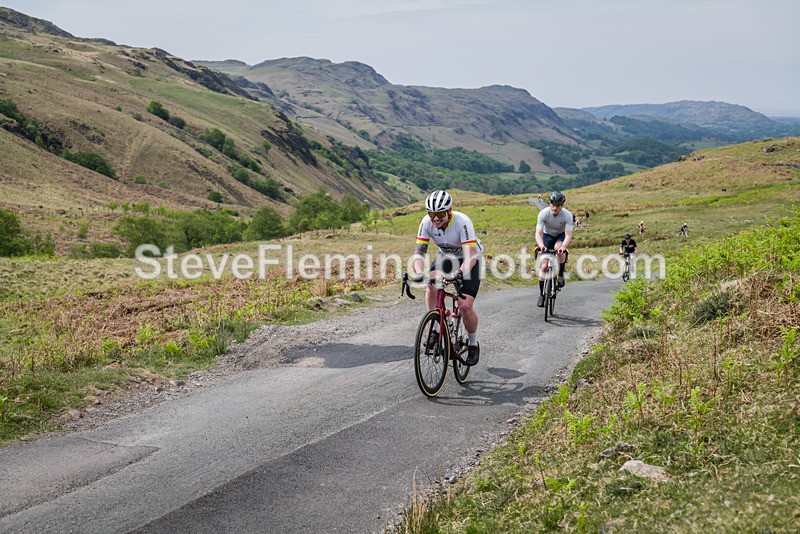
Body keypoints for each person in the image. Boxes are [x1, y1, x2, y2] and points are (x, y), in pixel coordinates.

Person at [412, 190, 483, 366]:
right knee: (431, 284)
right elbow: (419, 253)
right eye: (432, 214)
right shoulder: (426, 222)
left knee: (465, 306)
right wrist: (419, 272)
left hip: (470, 259)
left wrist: (459, 274)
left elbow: (470, 257)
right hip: (446, 256)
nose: (435, 219)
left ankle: (473, 344)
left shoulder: (462, 222)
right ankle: (436, 327)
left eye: (440, 214)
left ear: (449, 211)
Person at [534, 191, 573, 307]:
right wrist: (541, 245)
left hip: (560, 236)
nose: (555, 208)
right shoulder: (543, 214)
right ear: (550, 204)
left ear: (562, 206)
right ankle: (541, 294)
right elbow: (538, 233)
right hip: (547, 236)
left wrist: (564, 247)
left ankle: (560, 273)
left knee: (558, 249)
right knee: (544, 267)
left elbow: (568, 235)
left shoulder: (567, 215)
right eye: (553, 205)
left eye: (558, 206)